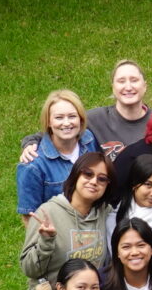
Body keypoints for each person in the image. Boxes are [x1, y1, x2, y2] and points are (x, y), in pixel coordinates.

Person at [19, 152, 112, 290]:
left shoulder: (106, 214)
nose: (94, 181)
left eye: (102, 179)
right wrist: (46, 242)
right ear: (75, 175)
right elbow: (29, 269)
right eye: (88, 174)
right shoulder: (47, 213)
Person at [22, 60, 150, 161]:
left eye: (134, 80)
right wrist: (30, 143)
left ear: (144, 86)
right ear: (113, 87)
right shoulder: (95, 119)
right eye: (121, 81)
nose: (128, 87)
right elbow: (50, 132)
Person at [17, 89, 100, 218]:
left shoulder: (89, 141)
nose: (66, 123)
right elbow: (29, 215)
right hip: (58, 229)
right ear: (49, 122)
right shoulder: (32, 165)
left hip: (94, 224)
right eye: (59, 117)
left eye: (72, 116)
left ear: (81, 119)